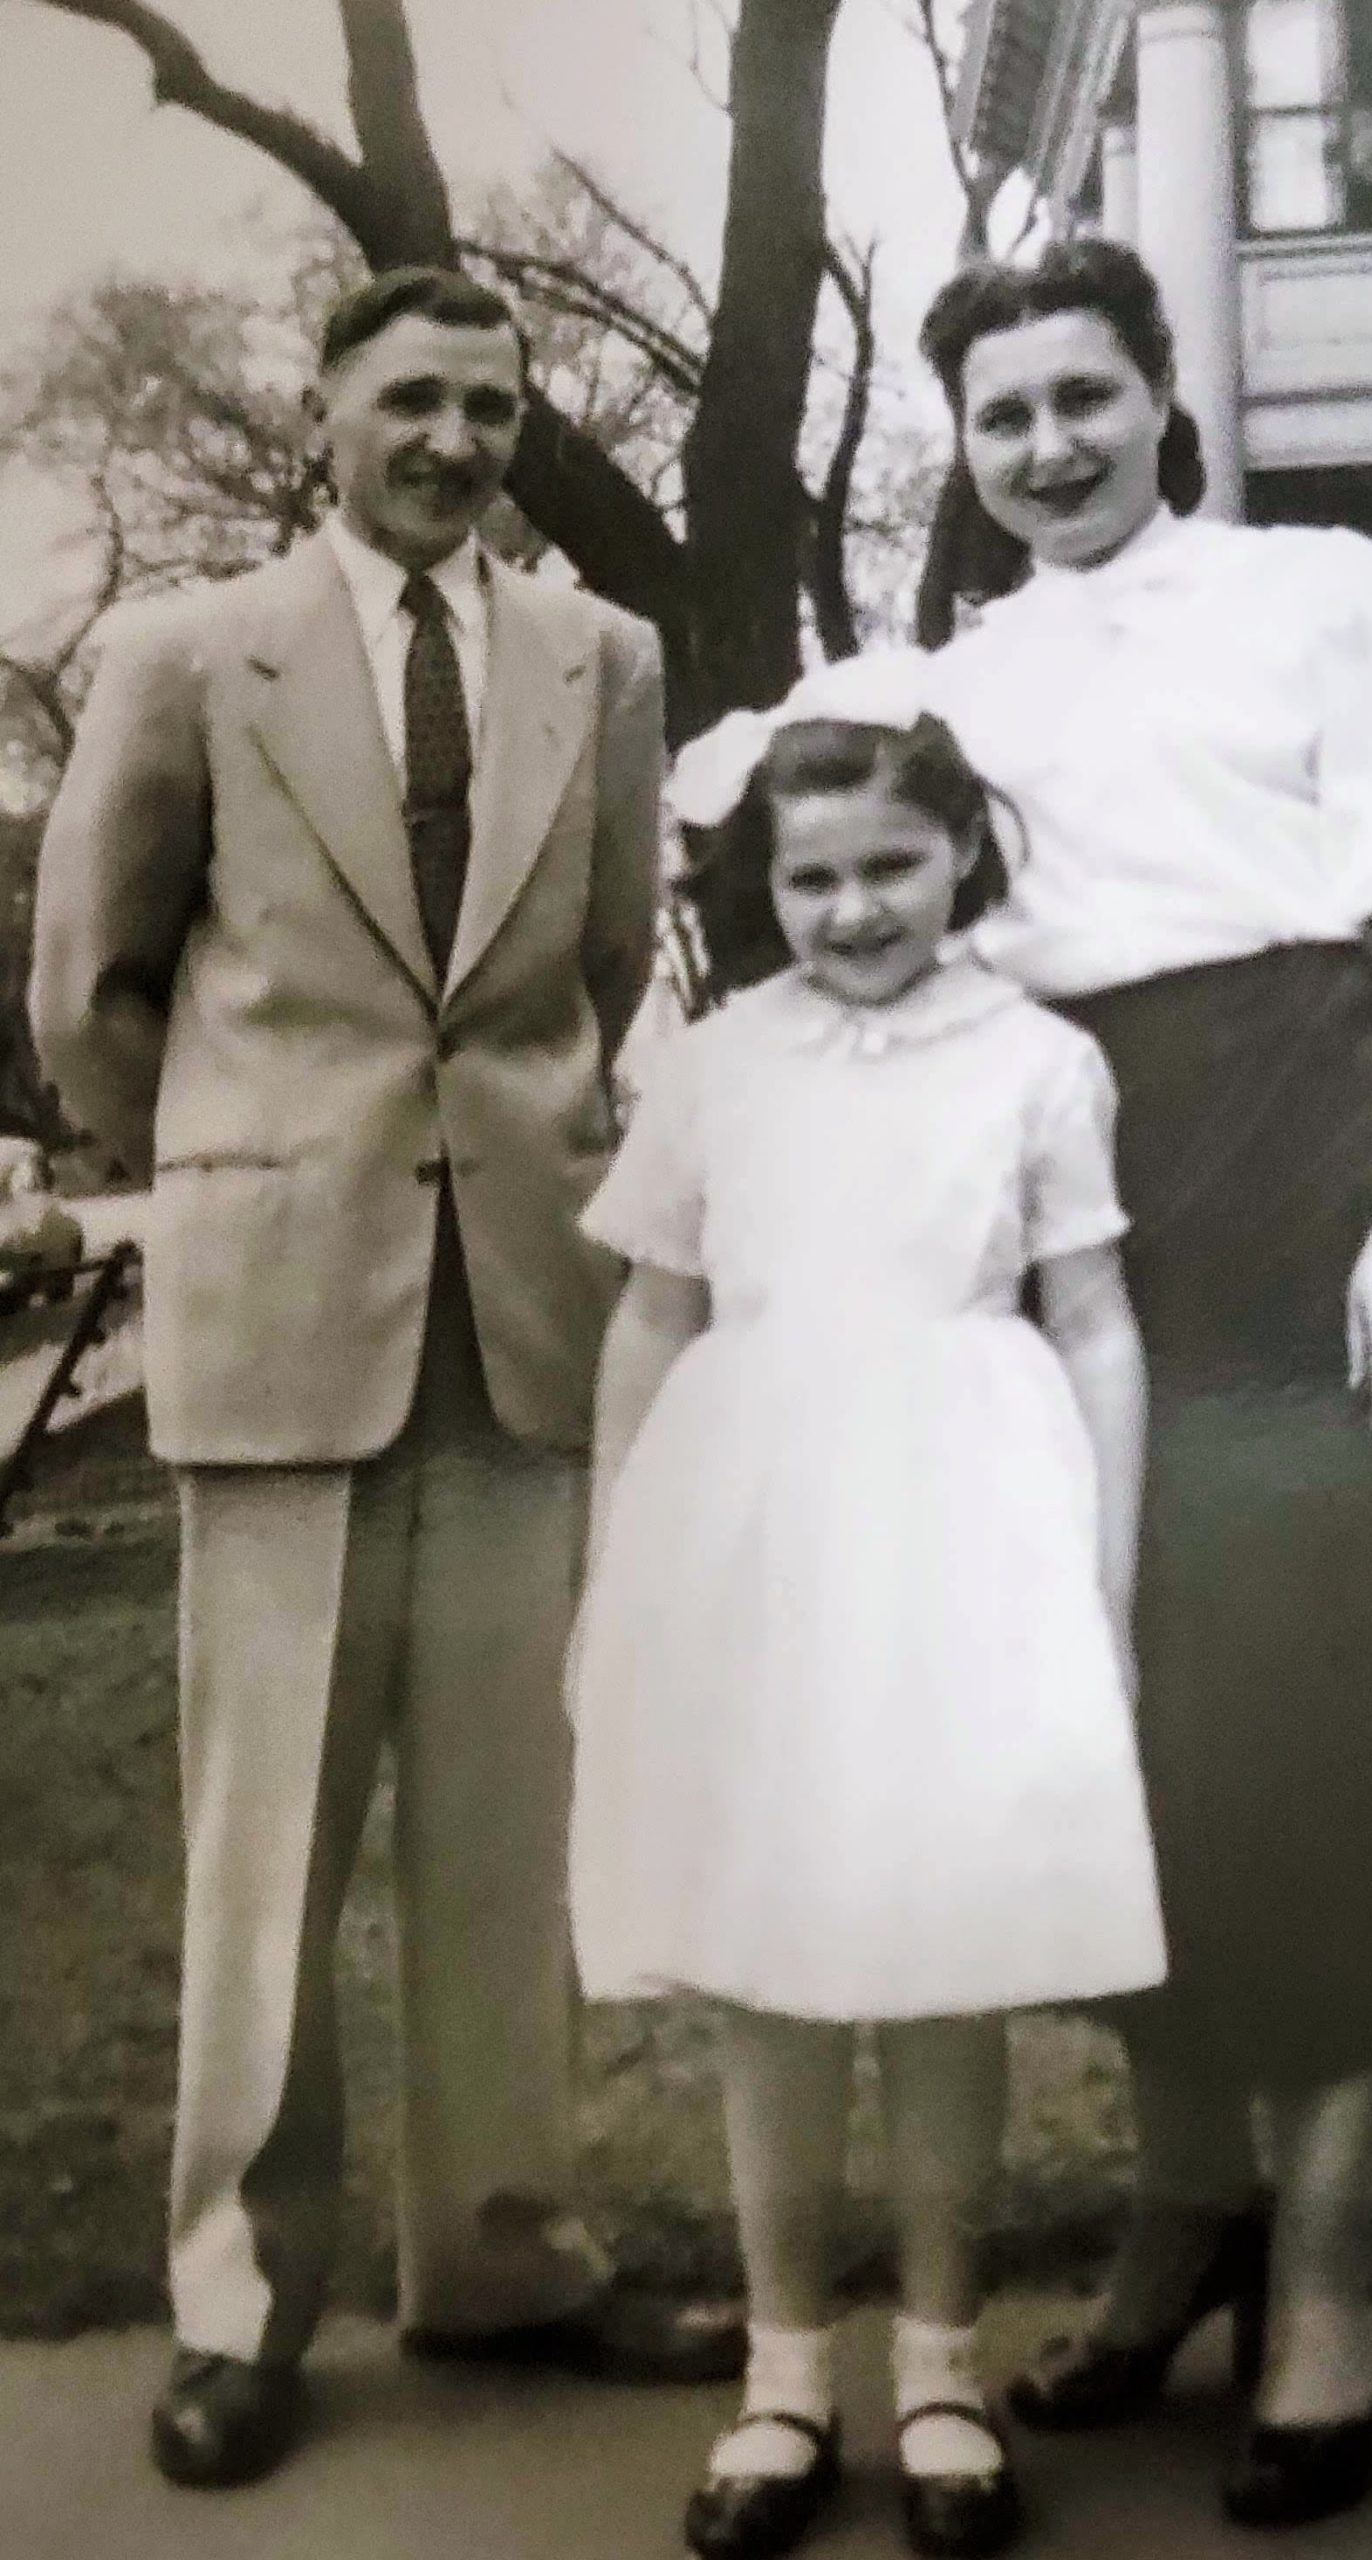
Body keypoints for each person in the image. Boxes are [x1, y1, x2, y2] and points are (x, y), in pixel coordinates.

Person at [28, 264, 740, 2491]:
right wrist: (242, 1174)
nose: (451, 440)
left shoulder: (601, 660)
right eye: (411, 398)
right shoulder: (182, 652)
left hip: (519, 1313)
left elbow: (609, 954)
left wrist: (492, 1170)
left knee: (505, 1825)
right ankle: (239, 2294)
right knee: (267, 1846)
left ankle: (507, 2253)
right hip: (279, 1319)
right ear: (322, 406)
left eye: (491, 410)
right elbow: (90, 985)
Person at [910, 238, 1372, 2528]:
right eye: (1004, 418)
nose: (1050, 446)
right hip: (1077, 1206)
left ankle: (1324, 2269)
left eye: (1086, 396)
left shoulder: (1322, 589)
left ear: (1163, 395)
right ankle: (1181, 2207)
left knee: (1324, 1720)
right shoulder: (950, 674)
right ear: (962, 451)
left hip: (1303, 1176)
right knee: (1123, 1726)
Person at [566, 652, 1168, 2560]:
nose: (854, 911)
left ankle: (935, 2366)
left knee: (935, 1965)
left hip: (960, 1532)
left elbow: (1091, 1324)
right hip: (757, 1542)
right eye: (815, 878)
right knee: (770, 1969)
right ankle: (782, 2375)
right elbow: (651, 1318)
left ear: (959, 860)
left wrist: (1103, 1577)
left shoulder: (1035, 1061)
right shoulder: (716, 1061)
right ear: (768, 886)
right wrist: (612, 1570)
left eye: (893, 867)